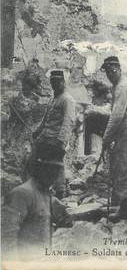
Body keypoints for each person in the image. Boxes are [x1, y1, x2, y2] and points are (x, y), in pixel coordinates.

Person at [1, 143, 73, 261]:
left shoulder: (48, 197)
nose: (54, 175)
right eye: (50, 169)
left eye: (57, 170)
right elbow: (6, 239)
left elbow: (68, 220)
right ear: (39, 168)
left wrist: (95, 213)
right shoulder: (21, 194)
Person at [100, 56, 127, 222]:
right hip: (125, 130)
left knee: (123, 166)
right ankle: (121, 203)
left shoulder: (123, 87)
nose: (110, 75)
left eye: (112, 71)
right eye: (107, 72)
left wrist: (106, 138)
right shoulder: (118, 86)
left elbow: (116, 116)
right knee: (118, 166)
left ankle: (126, 209)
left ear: (118, 69)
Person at [32, 70, 76, 199]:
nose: (55, 85)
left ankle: (61, 192)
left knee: (56, 165)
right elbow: (46, 119)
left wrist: (61, 140)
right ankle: (42, 190)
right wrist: (38, 131)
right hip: (45, 137)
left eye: (58, 82)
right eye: (53, 82)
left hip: (56, 139)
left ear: (63, 82)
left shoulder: (67, 99)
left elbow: (68, 121)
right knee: (38, 162)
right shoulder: (53, 98)